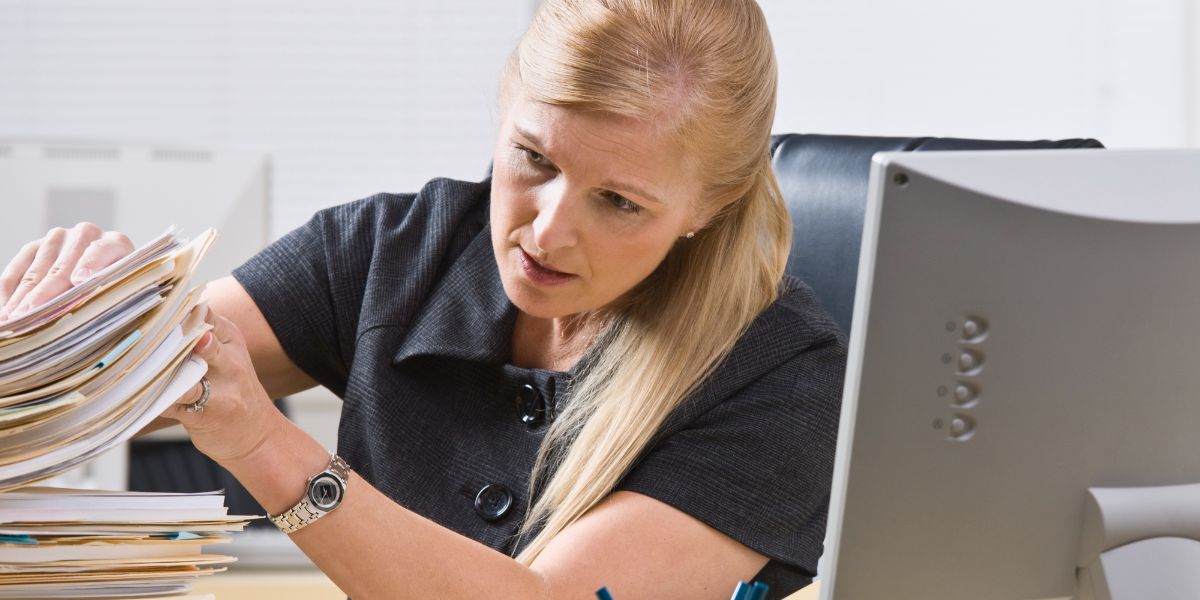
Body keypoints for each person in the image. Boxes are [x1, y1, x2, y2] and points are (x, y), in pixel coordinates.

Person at [0, 1, 845, 598]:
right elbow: (154, 369)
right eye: (533, 160)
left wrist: (262, 442)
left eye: (618, 202)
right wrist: (98, 322)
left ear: (712, 208)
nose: (546, 234)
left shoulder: (780, 375)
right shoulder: (393, 249)